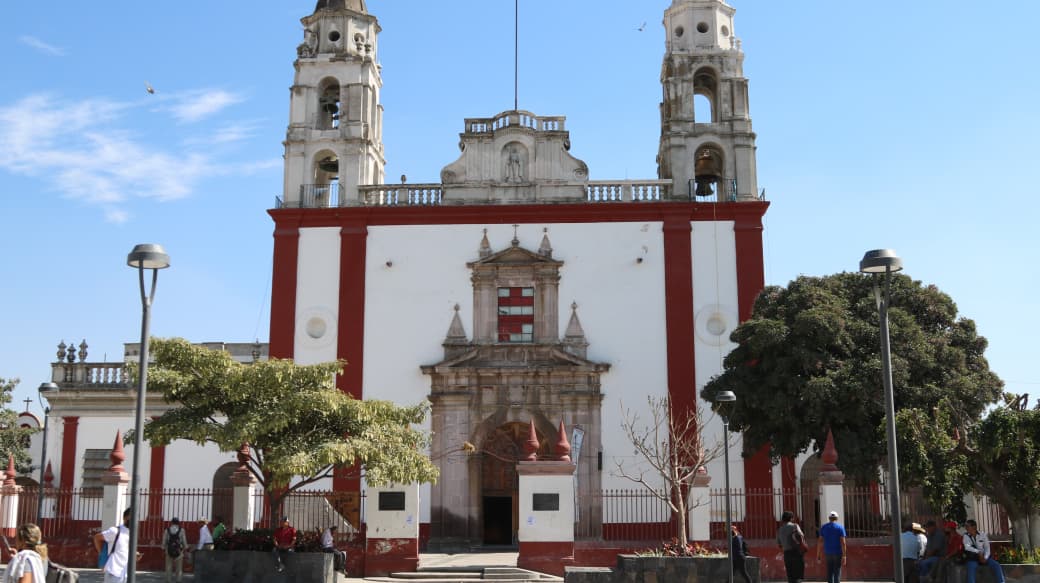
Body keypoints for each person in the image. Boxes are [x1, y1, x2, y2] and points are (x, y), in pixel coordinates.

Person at [94, 507, 132, 583]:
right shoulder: (115, 531)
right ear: (124, 518)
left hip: (125, 573)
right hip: (113, 572)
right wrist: (101, 553)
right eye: (131, 516)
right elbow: (97, 537)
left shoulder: (131, 533)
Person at [816, 510, 847, 583]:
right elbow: (843, 543)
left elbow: (820, 542)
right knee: (837, 572)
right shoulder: (840, 527)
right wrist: (844, 555)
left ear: (829, 518)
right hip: (837, 553)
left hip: (828, 553)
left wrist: (818, 555)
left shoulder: (824, 527)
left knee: (829, 572)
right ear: (837, 518)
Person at [776, 510, 806, 583]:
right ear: (791, 518)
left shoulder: (780, 530)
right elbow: (801, 535)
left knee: (790, 577)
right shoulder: (795, 526)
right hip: (796, 553)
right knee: (798, 576)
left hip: (787, 554)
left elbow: (779, 544)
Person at [161, 517, 187, 583]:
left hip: (169, 550)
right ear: (178, 523)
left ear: (171, 522)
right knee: (179, 568)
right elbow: (184, 541)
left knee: (168, 567)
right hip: (179, 551)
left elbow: (164, 541)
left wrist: (163, 548)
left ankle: (168, 580)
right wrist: (185, 548)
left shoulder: (167, 530)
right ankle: (178, 580)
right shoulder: (182, 530)